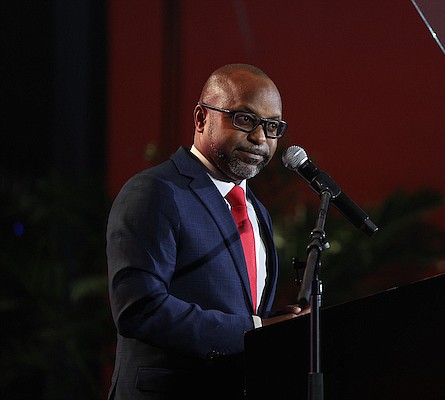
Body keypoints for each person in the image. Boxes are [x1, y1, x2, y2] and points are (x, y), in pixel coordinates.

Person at [106, 63, 308, 399]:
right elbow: (139, 308)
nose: (260, 137)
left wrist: (277, 325)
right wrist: (257, 330)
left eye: (272, 126)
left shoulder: (257, 211)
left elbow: (232, 311)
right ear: (202, 118)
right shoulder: (155, 191)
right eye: (245, 119)